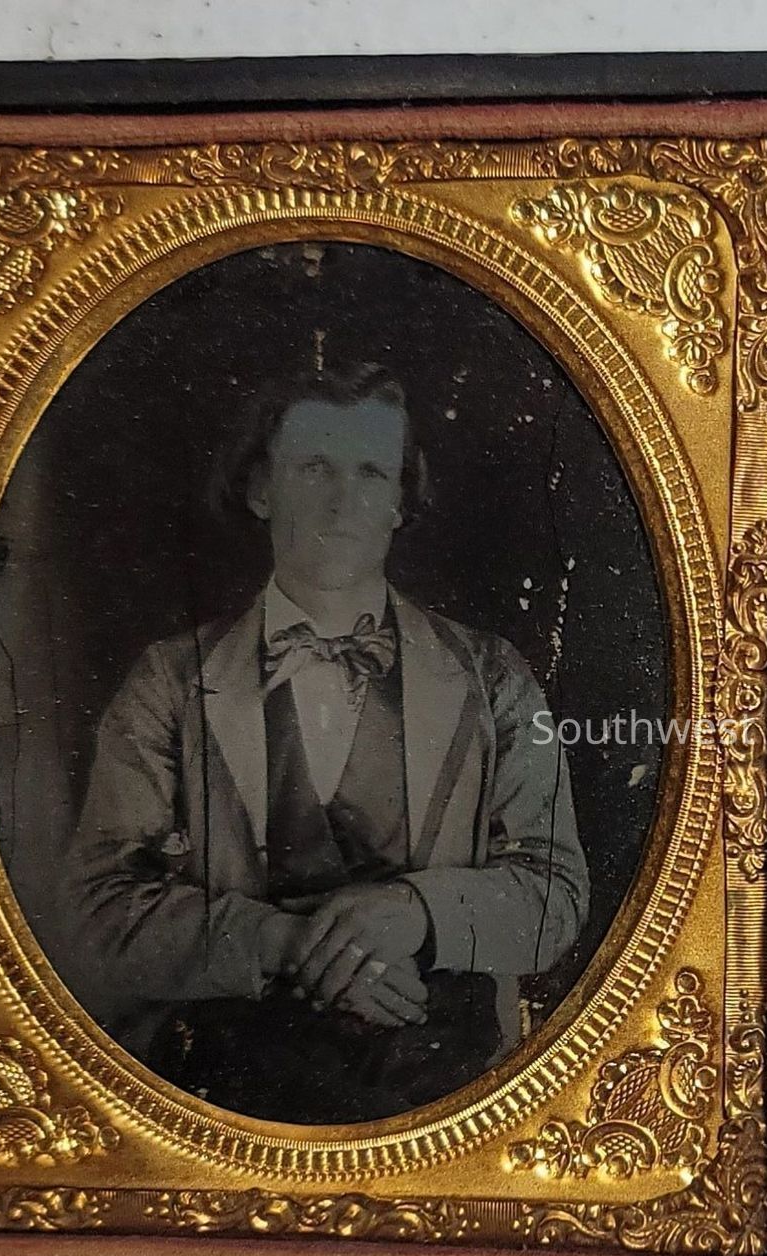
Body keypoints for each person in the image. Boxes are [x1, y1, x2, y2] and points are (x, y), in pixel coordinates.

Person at [62, 361, 587, 1124]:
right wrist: (283, 942)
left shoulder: (490, 676)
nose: (343, 502)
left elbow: (556, 894)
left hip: (448, 1095)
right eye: (314, 468)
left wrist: (416, 912)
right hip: (225, 1097)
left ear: (400, 501)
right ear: (260, 489)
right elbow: (94, 912)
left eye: (371, 473)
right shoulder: (169, 683)